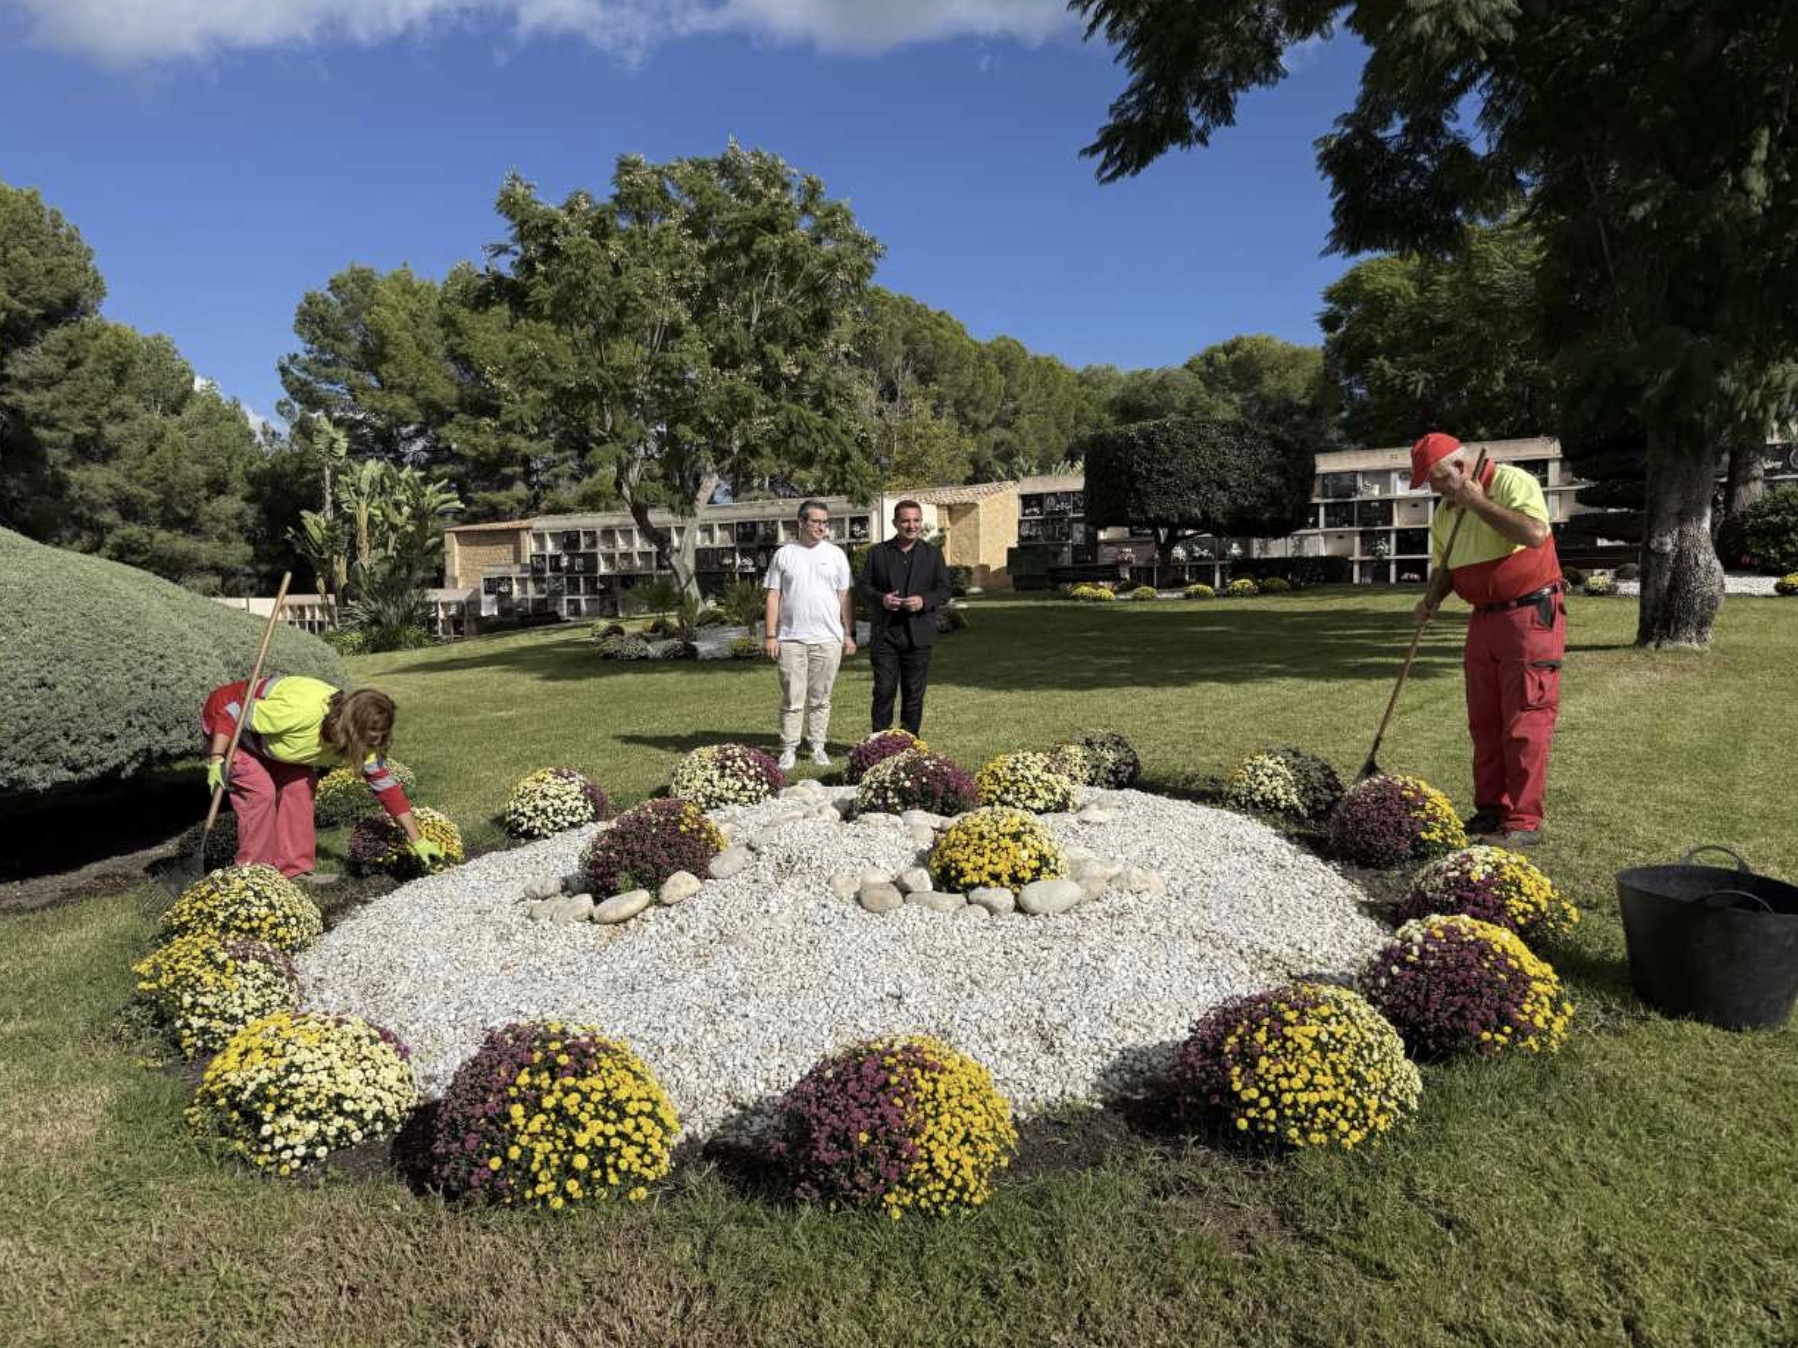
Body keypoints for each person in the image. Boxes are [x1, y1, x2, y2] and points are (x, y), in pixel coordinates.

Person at [1410, 432, 1567, 848]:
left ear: (1460, 469)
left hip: (1529, 616)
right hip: (1483, 620)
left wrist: (1476, 502)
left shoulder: (1513, 483)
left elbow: (1534, 533)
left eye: (1438, 478)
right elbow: (1448, 568)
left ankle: (1524, 819)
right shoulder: (1444, 512)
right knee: (1484, 721)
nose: (1434, 488)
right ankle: (1490, 809)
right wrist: (1431, 598)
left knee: (1525, 719)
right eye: (1429, 481)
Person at [201, 675, 440, 879]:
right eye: (368, 738)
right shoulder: (299, 713)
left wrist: (418, 840)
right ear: (350, 728)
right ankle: (253, 876)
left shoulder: (363, 739)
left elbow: (387, 788)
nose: (371, 744)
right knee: (260, 791)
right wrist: (217, 758)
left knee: (299, 787)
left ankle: (294, 871)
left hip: (274, 742)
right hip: (230, 727)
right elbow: (231, 713)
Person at [762, 499, 857, 770]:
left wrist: (848, 634)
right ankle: (789, 748)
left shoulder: (836, 555)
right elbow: (773, 595)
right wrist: (770, 635)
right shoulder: (784, 555)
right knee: (793, 698)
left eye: (825, 522)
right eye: (816, 522)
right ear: (801, 522)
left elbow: (845, 597)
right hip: (791, 639)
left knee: (821, 698)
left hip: (828, 639)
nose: (822, 527)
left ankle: (817, 746)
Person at [860, 499, 953, 738]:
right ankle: (879, 742)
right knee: (884, 691)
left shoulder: (932, 555)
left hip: (918, 635)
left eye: (916, 520)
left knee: (913, 693)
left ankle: (909, 743)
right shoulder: (877, 553)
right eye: (906, 521)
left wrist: (924, 601)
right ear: (895, 523)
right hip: (886, 635)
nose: (911, 526)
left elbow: (944, 590)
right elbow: (863, 588)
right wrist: (881, 599)